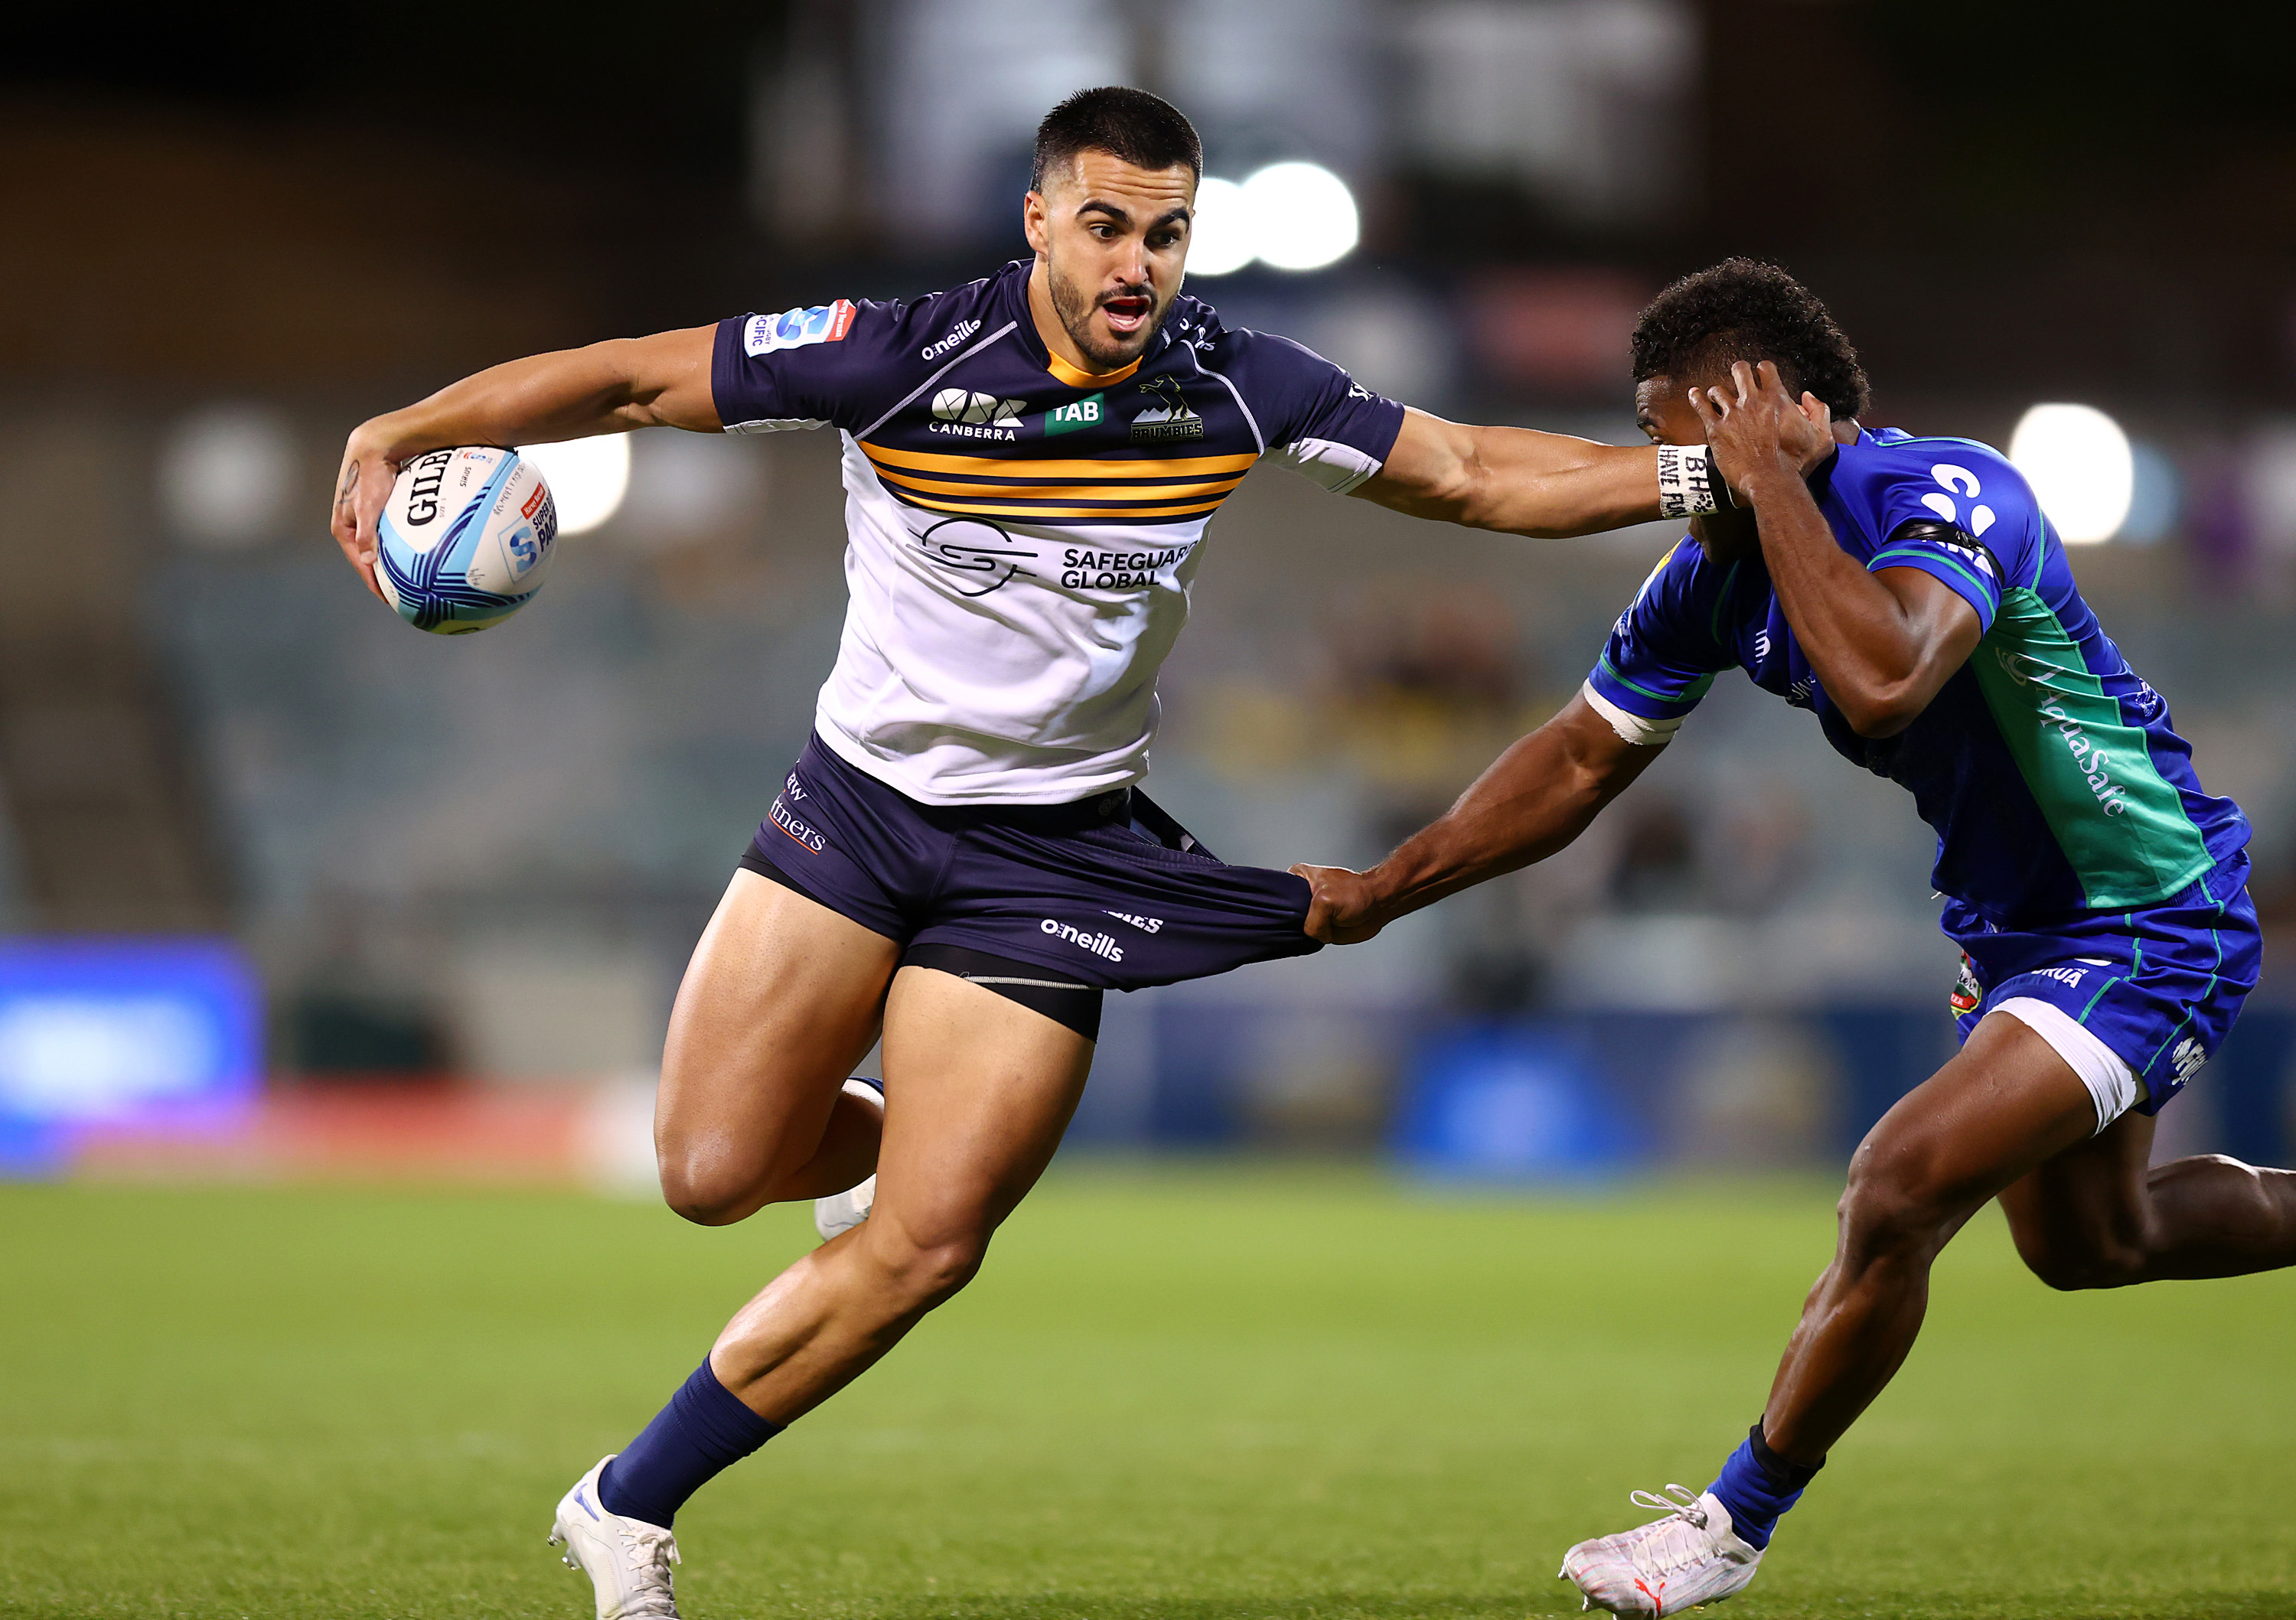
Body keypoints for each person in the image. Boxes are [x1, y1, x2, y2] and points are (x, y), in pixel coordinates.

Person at [328, 93, 1809, 1620]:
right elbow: (637, 379)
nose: (1137, 264)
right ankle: (886, 1155)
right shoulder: (899, 352)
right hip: (864, 810)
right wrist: (408, 427)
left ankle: (626, 1507)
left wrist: (1718, 478)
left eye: (1166, 232)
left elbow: (1475, 473)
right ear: (1037, 219)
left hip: (1055, 865)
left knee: (930, 1243)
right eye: (1105, 224)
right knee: (711, 1176)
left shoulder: (1233, 380)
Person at [1293, 258, 2296, 1616]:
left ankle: (1727, 1525)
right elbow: (1582, 757)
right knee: (2090, 1246)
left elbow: (1885, 680)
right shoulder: (1712, 569)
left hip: (2147, 908)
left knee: (1896, 1184)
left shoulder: (1944, 491)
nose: (1666, 479)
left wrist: (1770, 486)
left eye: (1678, 442)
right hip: (2016, 933)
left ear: (1778, 407)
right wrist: (1384, 885)